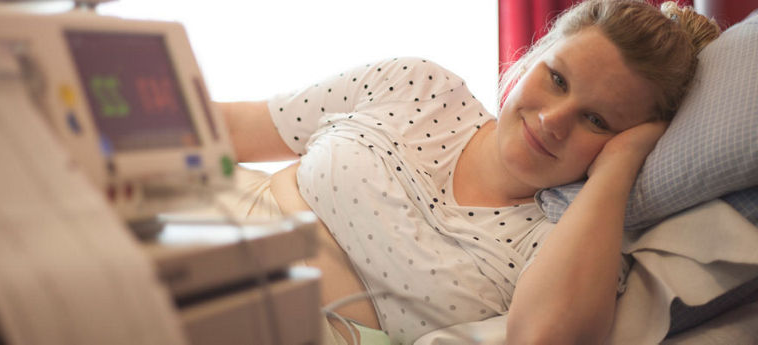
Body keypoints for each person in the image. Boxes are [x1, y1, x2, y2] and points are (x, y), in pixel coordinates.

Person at [216, 1, 720, 344]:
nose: (551, 121)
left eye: (596, 119)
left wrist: (621, 166)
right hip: (200, 220)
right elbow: (233, 129)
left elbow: (543, 339)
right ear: (531, 58)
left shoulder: (563, 245)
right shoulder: (417, 84)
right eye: (557, 79)